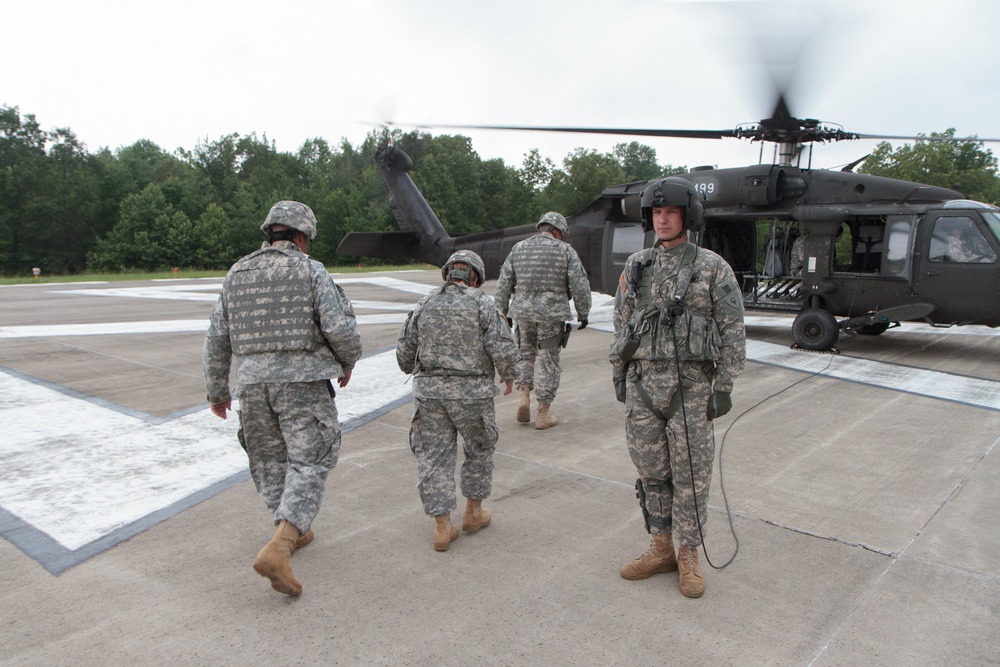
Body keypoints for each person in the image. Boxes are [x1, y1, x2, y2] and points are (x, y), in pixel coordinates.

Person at [203, 200, 362, 597]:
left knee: (269, 461)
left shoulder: (236, 274)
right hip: (302, 385)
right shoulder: (310, 270)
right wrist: (347, 361)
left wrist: (218, 392)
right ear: (302, 236)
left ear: (269, 232)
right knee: (311, 459)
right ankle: (282, 545)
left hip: (253, 386)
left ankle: (292, 528)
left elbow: (216, 339)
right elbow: (339, 327)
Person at [609, 177, 746, 598]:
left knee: (691, 477)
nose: (662, 219)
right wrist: (619, 374)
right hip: (644, 387)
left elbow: (732, 328)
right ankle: (660, 547)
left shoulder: (711, 266)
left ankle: (689, 555)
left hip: (690, 388)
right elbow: (621, 323)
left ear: (687, 217)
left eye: (670, 212)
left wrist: (723, 383)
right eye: (656, 212)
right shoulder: (636, 266)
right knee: (652, 474)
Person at [396, 250, 518, 551]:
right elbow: (502, 347)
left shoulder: (424, 303)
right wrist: (509, 375)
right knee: (479, 449)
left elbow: (403, 355)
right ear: (475, 277)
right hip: (472, 395)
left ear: (447, 274)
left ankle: (442, 527)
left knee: (433, 458)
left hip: (430, 395)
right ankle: (473, 513)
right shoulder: (483, 304)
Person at [494, 212, 591, 429]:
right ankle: (543, 414)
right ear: (558, 231)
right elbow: (580, 286)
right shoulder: (565, 251)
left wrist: (502, 313)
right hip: (551, 316)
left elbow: (504, 283)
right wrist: (583, 314)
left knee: (525, 356)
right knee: (548, 361)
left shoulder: (519, 248)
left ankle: (522, 398)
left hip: (523, 315)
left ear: (541, 227)